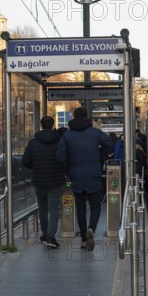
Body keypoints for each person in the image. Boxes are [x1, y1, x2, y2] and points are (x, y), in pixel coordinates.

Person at [57, 107, 113, 252]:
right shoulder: (95, 133)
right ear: (86, 116)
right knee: (96, 206)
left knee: (80, 209)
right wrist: (99, 156)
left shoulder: (67, 136)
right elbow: (109, 145)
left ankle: (83, 239)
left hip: (75, 175)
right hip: (93, 173)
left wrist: (68, 169)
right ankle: (91, 228)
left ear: (74, 117)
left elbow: (60, 156)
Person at [22, 116, 67, 249]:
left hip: (39, 180)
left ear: (41, 126)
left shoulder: (33, 142)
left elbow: (25, 161)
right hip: (56, 180)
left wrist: (36, 167)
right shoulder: (60, 141)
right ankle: (51, 237)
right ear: (53, 125)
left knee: (42, 208)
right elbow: (64, 158)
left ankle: (45, 234)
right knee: (54, 208)